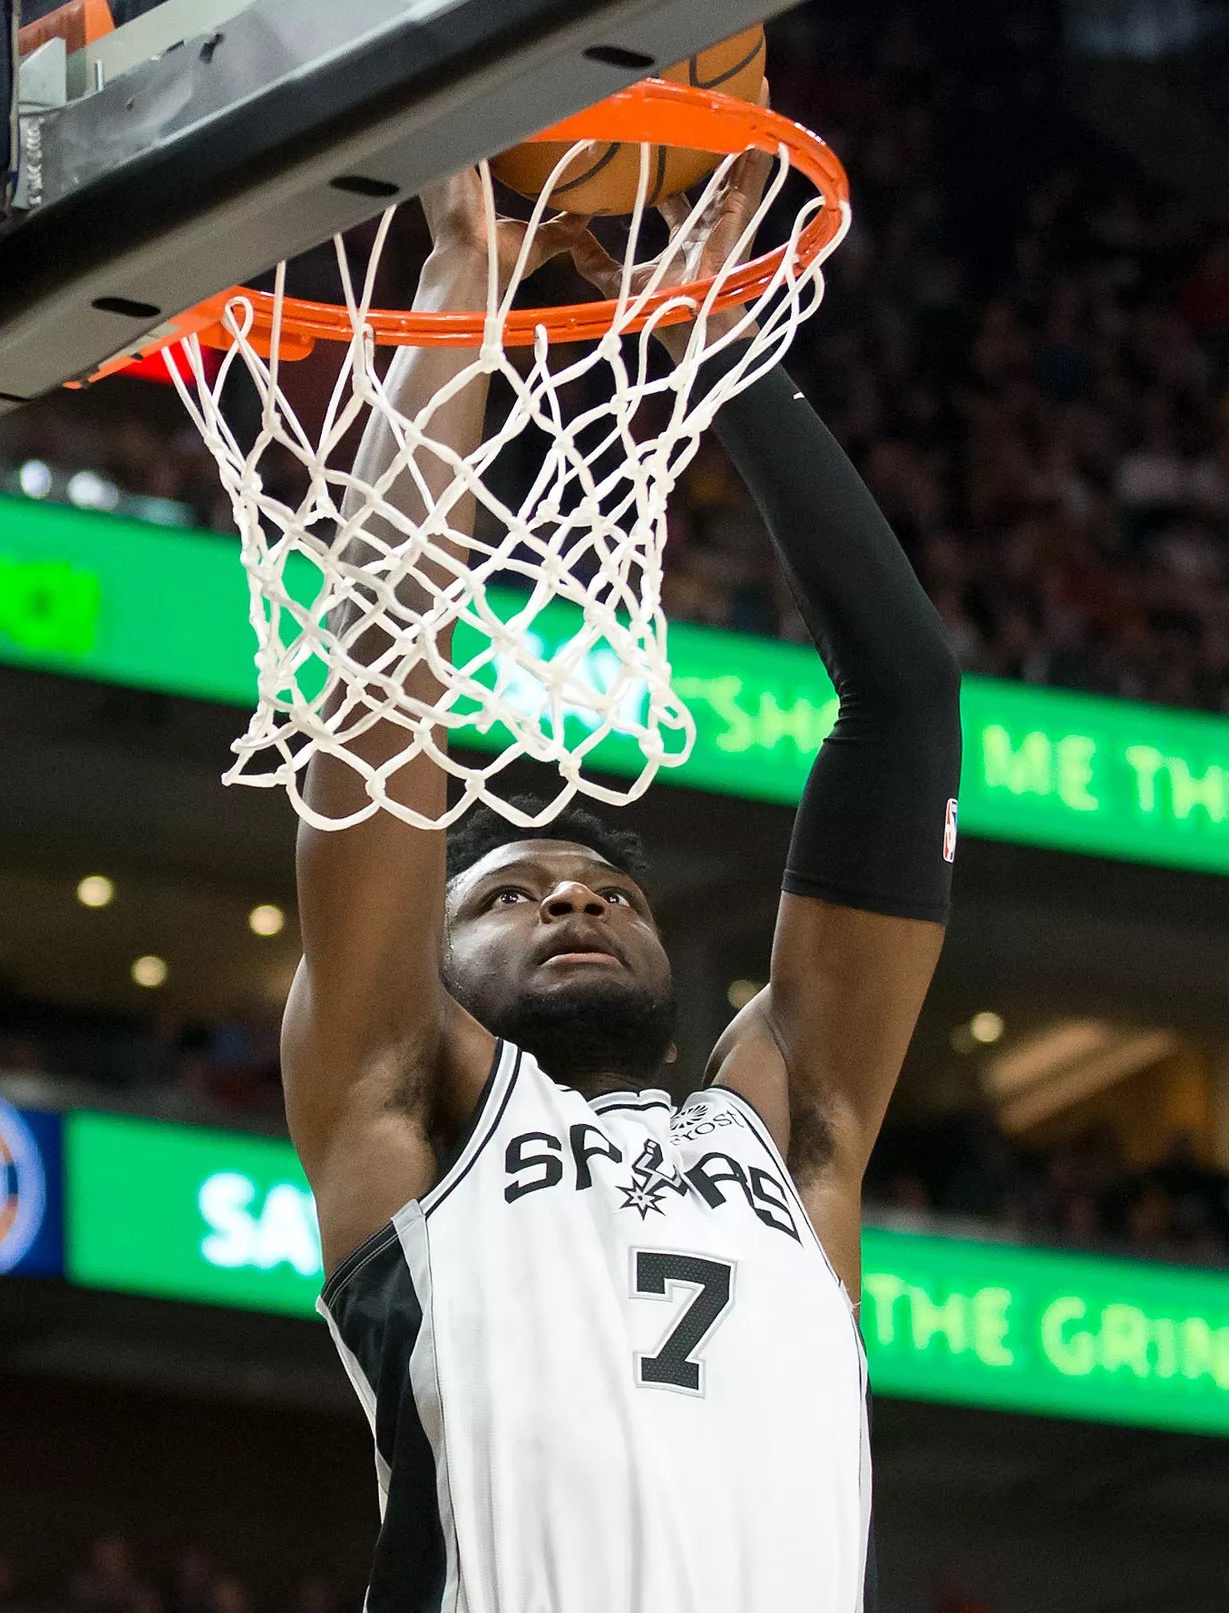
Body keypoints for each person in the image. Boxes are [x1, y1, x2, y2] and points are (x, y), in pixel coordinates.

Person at [280, 124, 960, 1613]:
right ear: (432, 970)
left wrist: (726, 353)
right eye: (506, 895)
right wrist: (460, 297)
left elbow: (906, 697)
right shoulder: (403, 1104)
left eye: (607, 892)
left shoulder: (790, 1135)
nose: (574, 897)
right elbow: (384, 686)